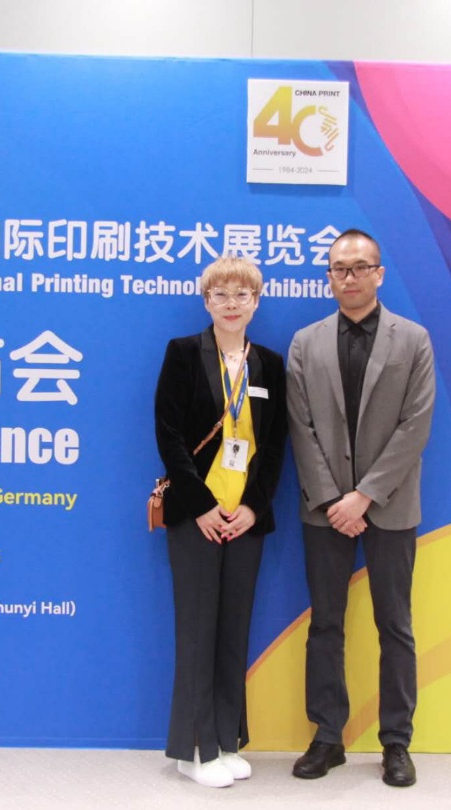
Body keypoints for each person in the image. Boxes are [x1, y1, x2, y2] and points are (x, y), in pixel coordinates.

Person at [285, 229, 436, 788]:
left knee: (395, 625)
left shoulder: (413, 339)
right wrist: (334, 500)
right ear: (329, 276)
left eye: (359, 267)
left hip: (389, 506)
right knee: (326, 623)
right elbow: (301, 428)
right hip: (324, 510)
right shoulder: (305, 343)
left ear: (379, 273)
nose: (348, 277)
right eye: (338, 269)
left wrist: (365, 496)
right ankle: (328, 737)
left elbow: (415, 426)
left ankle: (396, 741)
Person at [154, 256, 288, 788]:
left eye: (242, 295)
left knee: (234, 630)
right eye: (221, 295)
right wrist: (201, 506)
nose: (231, 305)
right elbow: (168, 436)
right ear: (206, 301)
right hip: (197, 516)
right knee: (197, 632)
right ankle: (194, 748)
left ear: (256, 302)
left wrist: (253, 506)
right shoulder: (184, 353)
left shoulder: (269, 364)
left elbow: (275, 446)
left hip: (245, 519)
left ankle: (226, 741)